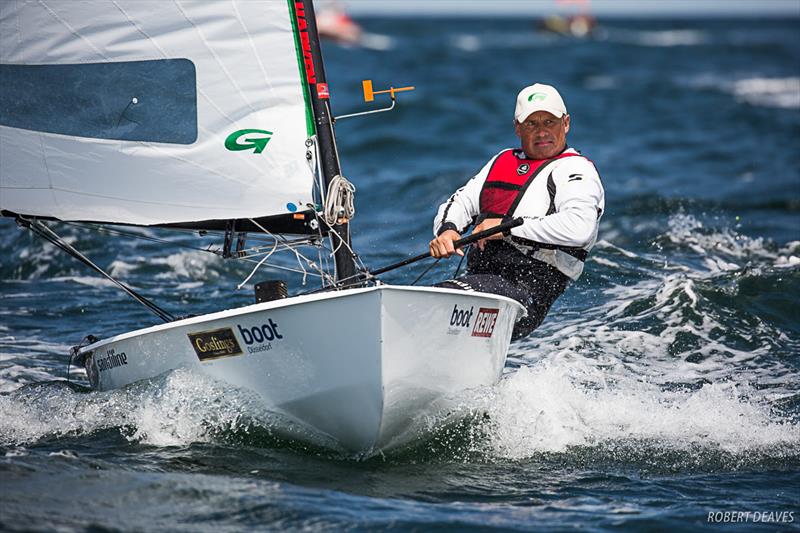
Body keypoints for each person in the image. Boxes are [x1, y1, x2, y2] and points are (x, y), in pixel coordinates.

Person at [429, 83, 605, 340]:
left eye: (549, 122)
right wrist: (447, 231)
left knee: (438, 302)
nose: (542, 131)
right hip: (480, 282)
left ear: (566, 123)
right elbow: (462, 200)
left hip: (527, 290)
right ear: (517, 128)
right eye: (531, 124)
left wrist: (505, 228)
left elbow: (580, 227)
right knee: (439, 299)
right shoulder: (503, 160)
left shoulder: (576, 169)